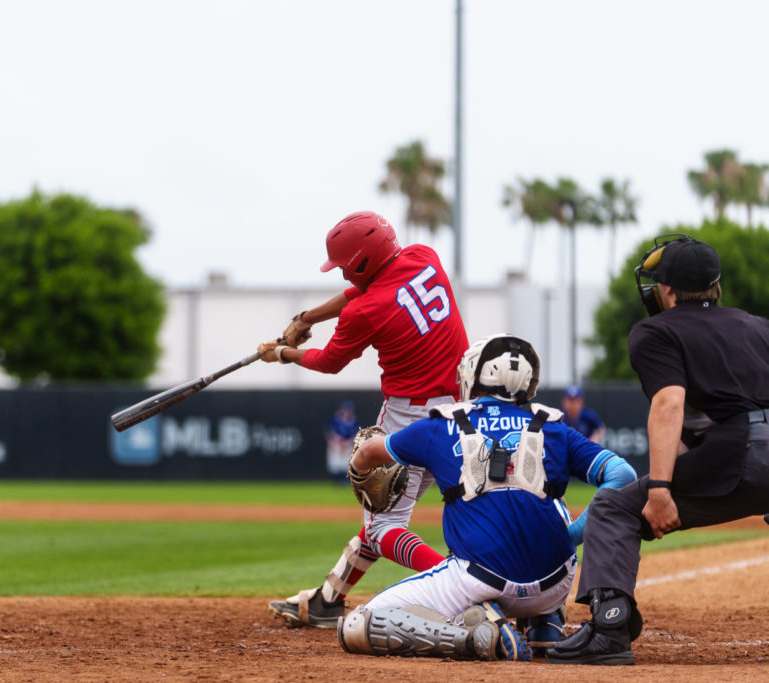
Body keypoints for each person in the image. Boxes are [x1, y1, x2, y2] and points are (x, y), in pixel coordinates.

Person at [337, 334, 636, 661]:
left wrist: (359, 466)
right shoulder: (553, 427)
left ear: (472, 376)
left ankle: (476, 636)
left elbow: (368, 452)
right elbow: (623, 477)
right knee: (548, 500)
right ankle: (545, 623)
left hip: (477, 581)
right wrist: (574, 535)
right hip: (555, 582)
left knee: (356, 624)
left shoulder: (441, 426)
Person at [547, 235, 769, 666]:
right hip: (748, 450)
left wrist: (662, 488)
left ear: (665, 290)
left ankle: (610, 625)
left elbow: (669, 404)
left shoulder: (656, 330)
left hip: (739, 453)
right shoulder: (758, 325)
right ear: (716, 287)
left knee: (614, 507)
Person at [258, 210, 470, 628]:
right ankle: (327, 600)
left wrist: (282, 354)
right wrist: (308, 318)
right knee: (381, 512)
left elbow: (329, 362)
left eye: (343, 267)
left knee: (382, 524)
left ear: (360, 262)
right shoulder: (423, 256)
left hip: (410, 414)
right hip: (463, 407)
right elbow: (370, 290)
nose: (341, 276)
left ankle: (461, 586)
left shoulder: (366, 310)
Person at [325, 401, 360, 482]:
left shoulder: (354, 420)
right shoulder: (335, 419)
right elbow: (328, 430)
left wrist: (349, 441)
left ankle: (345, 479)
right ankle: (336, 479)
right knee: (335, 461)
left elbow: (357, 432)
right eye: (345, 410)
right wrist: (334, 440)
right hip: (336, 443)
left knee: (347, 461)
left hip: (348, 444)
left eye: (349, 410)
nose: (347, 412)